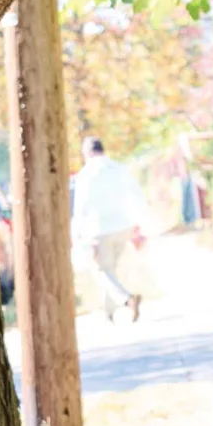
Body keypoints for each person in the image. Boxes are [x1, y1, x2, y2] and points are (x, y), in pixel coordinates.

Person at [70, 136, 147, 322]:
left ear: (87, 153)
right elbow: (135, 194)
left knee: (101, 270)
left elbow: (81, 206)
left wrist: (76, 233)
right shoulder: (118, 169)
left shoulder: (86, 174)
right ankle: (109, 313)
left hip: (100, 229)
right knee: (110, 269)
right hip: (123, 227)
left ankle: (128, 299)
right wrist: (139, 224)